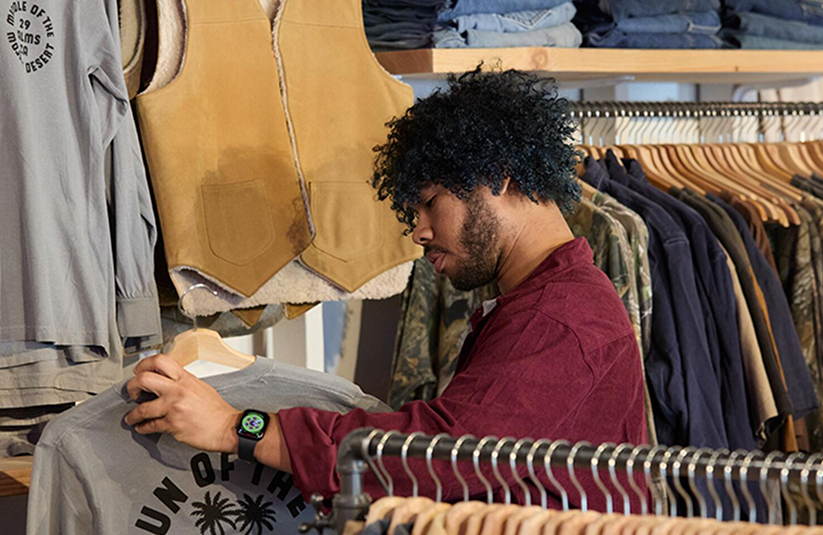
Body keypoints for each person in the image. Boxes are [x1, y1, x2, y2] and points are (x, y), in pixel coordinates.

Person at [123, 68, 647, 506]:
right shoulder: (544, 301)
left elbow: (444, 455)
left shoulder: (559, 318)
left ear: (499, 176)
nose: (419, 232)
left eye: (431, 202)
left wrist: (236, 427)